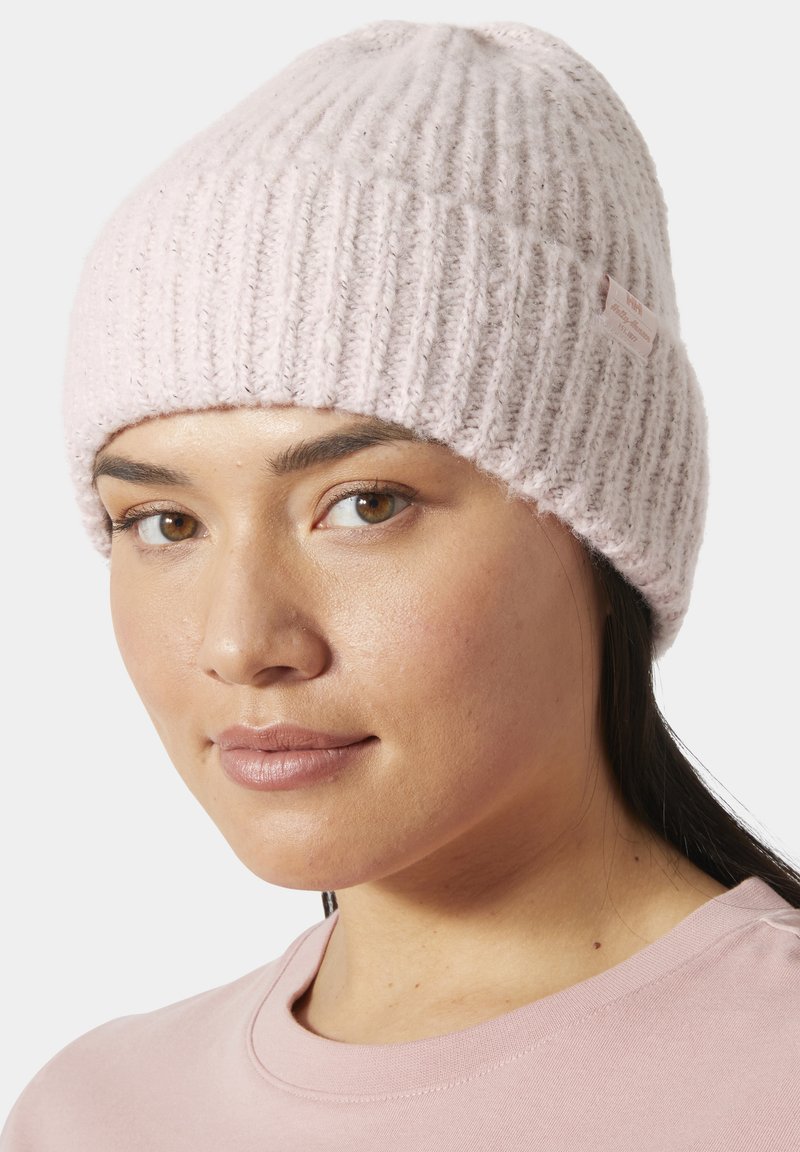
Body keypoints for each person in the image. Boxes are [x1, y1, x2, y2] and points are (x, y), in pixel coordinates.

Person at [2, 18, 799, 1150]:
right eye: (166, 522)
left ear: (601, 531)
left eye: (365, 505)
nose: (240, 641)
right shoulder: (91, 1113)